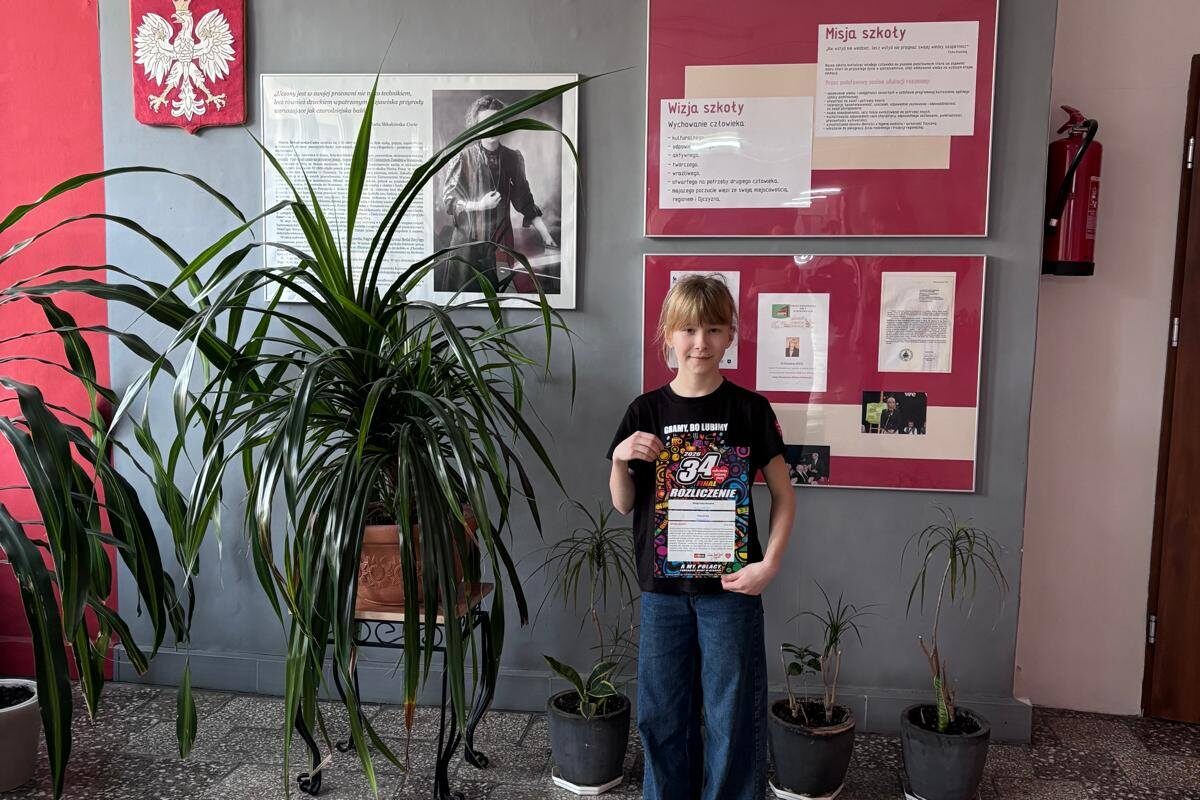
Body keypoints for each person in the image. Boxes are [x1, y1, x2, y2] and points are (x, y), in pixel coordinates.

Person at [607, 275, 796, 800]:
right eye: (688, 329)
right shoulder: (645, 411)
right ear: (668, 333)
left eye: (713, 329)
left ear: (730, 334)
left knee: (732, 715)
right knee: (662, 715)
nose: (700, 342)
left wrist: (769, 564)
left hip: (731, 589)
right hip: (663, 591)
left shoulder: (750, 410)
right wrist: (620, 458)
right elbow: (623, 502)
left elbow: (785, 496)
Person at [437, 95, 558, 294]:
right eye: (485, 123)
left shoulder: (512, 158)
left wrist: (545, 234)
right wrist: (480, 205)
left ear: (503, 123)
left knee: (495, 298)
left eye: (497, 121)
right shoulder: (463, 157)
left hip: (497, 245)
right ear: (476, 126)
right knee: (463, 300)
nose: (492, 128)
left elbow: (525, 200)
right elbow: (449, 201)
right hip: (465, 246)